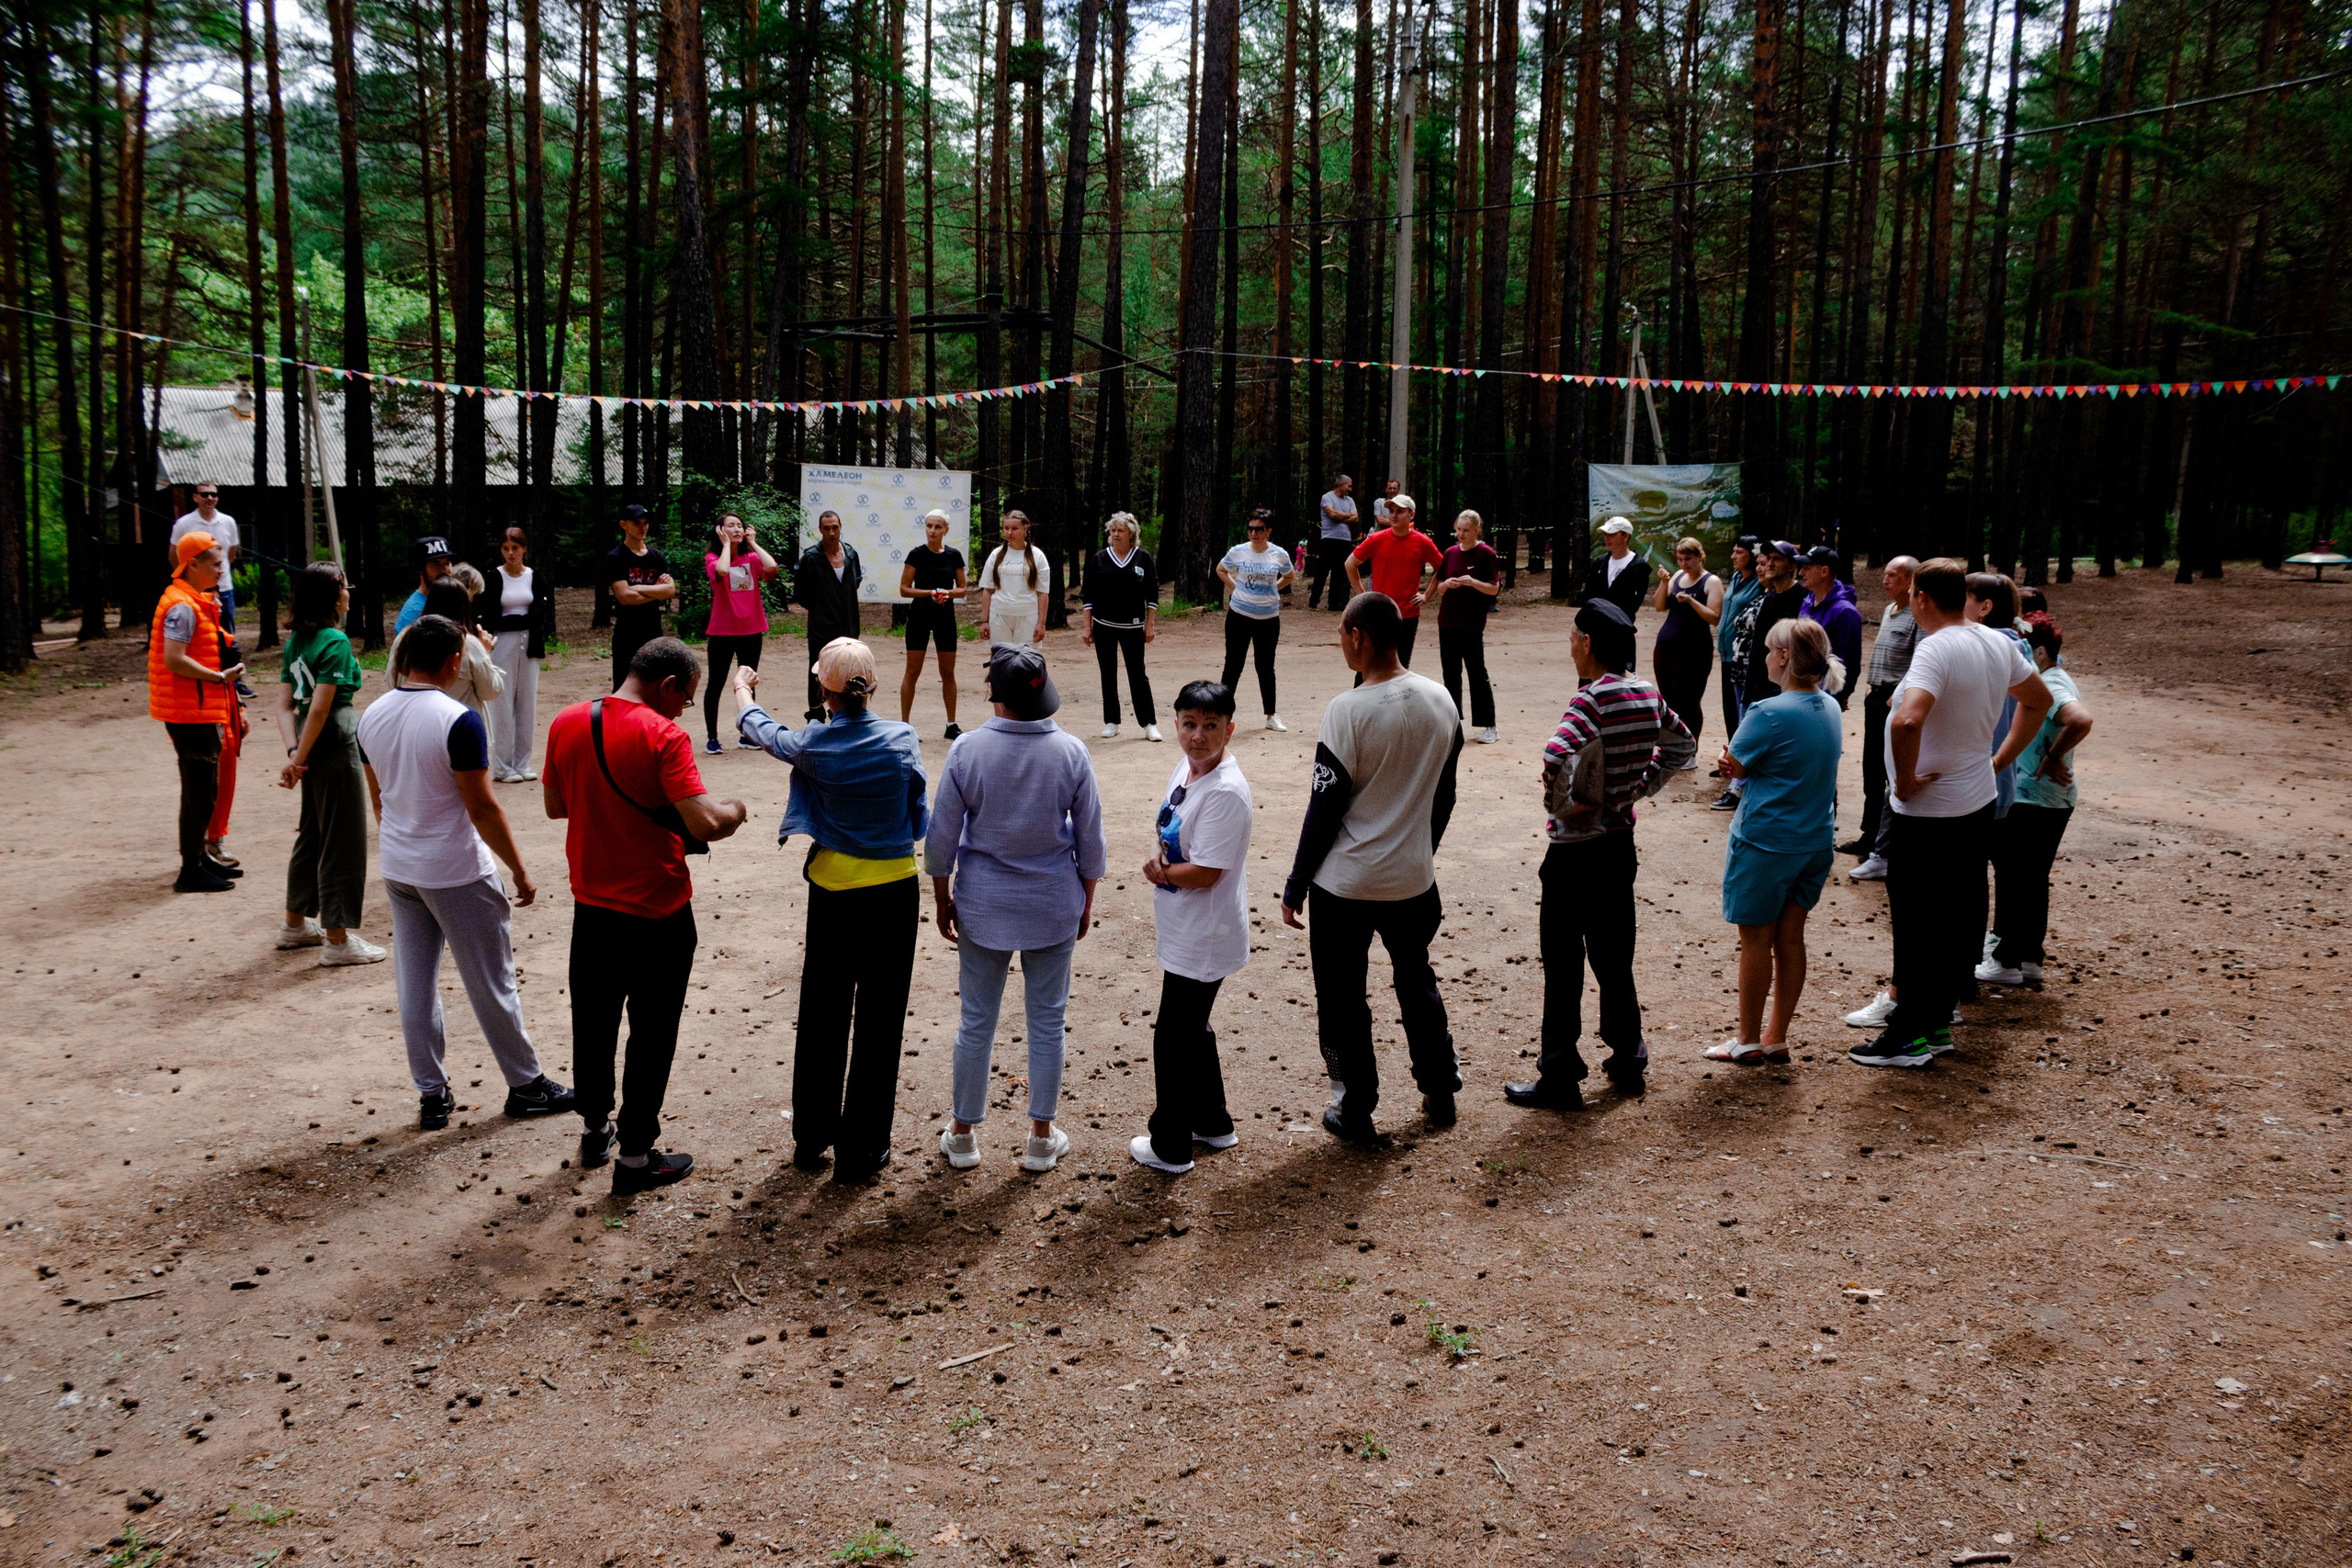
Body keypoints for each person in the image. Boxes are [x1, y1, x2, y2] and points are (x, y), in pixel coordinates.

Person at [543, 637, 750, 1191]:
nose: (685, 707)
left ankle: (594, 1127)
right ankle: (635, 1157)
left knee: (593, 1020)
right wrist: (736, 810)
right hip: (658, 908)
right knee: (652, 1032)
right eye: (687, 696)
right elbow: (704, 824)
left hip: (592, 903)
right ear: (668, 685)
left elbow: (556, 806)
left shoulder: (567, 722)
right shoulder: (664, 734)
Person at [357, 613, 573, 1130]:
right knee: (490, 978)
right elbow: (482, 808)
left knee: (415, 978)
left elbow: (380, 802)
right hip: (454, 867)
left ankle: (431, 1092)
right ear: (456, 661)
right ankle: (525, 1084)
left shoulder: (372, 715)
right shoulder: (458, 719)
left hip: (401, 865)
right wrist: (519, 870)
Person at [735, 638, 930, 1182]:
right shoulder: (902, 738)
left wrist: (743, 691)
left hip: (832, 890)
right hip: (894, 887)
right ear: (874, 687)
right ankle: (864, 1149)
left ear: (824, 689)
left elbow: (762, 732)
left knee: (823, 1011)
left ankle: (811, 1137)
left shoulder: (814, 745)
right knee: (880, 1017)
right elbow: (918, 805)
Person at [1848, 558, 2049, 1070]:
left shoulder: (1935, 647)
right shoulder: (1996, 640)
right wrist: (1998, 760)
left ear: (1920, 598)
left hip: (1930, 810)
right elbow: (2037, 700)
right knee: (1954, 917)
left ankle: (1906, 1037)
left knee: (1918, 923)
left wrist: (1906, 781)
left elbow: (1908, 720)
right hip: (1975, 801)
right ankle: (1935, 1025)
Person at [1279, 592, 1464, 1142]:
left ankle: (1355, 1103)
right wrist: (1420, 849)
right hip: (1413, 880)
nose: (1341, 641)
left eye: (1341, 631)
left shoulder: (1347, 710)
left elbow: (1325, 808)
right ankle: (1440, 1086)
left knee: (1340, 997)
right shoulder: (1441, 699)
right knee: (1416, 980)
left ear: (1358, 636)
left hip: (1347, 884)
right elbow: (1445, 793)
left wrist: (1296, 883)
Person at [1504, 600, 1693, 1111]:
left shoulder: (1589, 700)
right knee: (1615, 957)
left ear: (1587, 642)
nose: (1569, 643)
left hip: (1573, 854)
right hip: (1618, 848)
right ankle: (1628, 1058)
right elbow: (1682, 747)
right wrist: (1632, 790)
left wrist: (1574, 802)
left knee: (1564, 964)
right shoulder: (1646, 693)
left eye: (1572, 635)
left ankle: (1560, 1075)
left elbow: (1555, 754)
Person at [924, 647, 1106, 1175]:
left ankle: (962, 1135)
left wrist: (943, 898)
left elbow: (941, 839)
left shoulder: (967, 751)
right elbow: (1090, 840)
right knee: (1048, 1021)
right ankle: (1041, 1138)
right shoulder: (1071, 751)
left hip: (983, 905)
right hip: (1053, 904)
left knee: (976, 1021)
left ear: (992, 695)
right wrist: (1085, 899)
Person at [1129, 680, 1253, 1175]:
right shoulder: (1188, 767)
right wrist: (1158, 853)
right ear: (1176, 722)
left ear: (1229, 729)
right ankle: (1213, 1122)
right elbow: (1171, 828)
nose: (1198, 736)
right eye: (1189, 724)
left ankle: (1171, 1146)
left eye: (1210, 727)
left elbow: (1207, 872)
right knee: (1191, 1030)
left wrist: (1159, 871)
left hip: (1206, 934)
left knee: (1174, 1037)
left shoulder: (1226, 792)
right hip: (1185, 926)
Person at [1709, 617, 1845, 1064]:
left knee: (1755, 941)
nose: (1766, 657)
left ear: (1784, 657)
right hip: (1814, 840)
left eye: (1770, 650)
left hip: (1766, 840)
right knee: (1791, 940)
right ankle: (1776, 1036)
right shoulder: (1831, 706)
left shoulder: (1766, 712)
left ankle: (1746, 1038)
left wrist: (1732, 766)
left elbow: (1737, 765)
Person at [274, 561, 388, 964]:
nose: (349, 591)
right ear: (330, 595)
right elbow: (322, 708)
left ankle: (295, 923)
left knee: (314, 830)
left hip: (306, 740)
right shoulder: (334, 640)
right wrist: (298, 757)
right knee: (342, 838)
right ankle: (337, 941)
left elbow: (287, 706)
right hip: (332, 738)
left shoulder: (296, 641)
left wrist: (294, 754)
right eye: (343, 585)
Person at [1978, 612, 2090, 990]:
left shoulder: (2051, 685)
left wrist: (2053, 756)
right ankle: (2028, 959)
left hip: (2037, 801)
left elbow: (2081, 720)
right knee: (2030, 879)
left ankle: (2008, 959)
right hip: (2048, 800)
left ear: (2039, 651)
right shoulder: (2055, 676)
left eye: (2026, 648)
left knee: (2017, 879)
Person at [147, 532, 243, 894]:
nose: (223, 569)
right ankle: (191, 870)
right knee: (199, 791)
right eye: (216, 563)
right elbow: (174, 659)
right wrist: (219, 676)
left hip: (199, 707)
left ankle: (200, 859)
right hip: (190, 711)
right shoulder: (182, 607)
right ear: (193, 564)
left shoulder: (193, 600)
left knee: (206, 788)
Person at [1712, 539, 1805, 811]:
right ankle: (1742, 789)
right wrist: (1751, 683)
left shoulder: (1799, 598)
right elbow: (1758, 647)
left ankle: (1744, 791)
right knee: (1748, 738)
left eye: (1778, 558)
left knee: (1773, 746)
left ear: (1791, 565)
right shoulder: (1770, 596)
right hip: (1755, 683)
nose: (1771, 563)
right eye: (1768, 558)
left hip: (1781, 689)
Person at [1844, 555, 1917, 881]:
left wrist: (1897, 694)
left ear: (1911, 580)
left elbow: (1919, 662)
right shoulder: (1889, 611)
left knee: (1890, 771)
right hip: (1876, 696)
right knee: (1871, 769)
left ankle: (1887, 844)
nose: (1885, 580)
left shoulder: (1917, 616)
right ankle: (1868, 834)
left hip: (1896, 701)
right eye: (1885, 574)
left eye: (1893, 575)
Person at [479, 525, 557, 783]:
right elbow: (491, 616)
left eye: (515, 548)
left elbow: (540, 613)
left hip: (530, 644)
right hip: (503, 644)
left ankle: (523, 763)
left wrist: (520, 621)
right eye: (506, 548)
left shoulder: (535, 577)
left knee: (526, 703)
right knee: (502, 703)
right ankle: (503, 767)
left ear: (524, 549)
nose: (510, 553)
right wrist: (518, 622)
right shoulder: (494, 577)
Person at [701, 511, 779, 754]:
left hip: (752, 628)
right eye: (730, 525)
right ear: (720, 530)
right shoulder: (713, 557)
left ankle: (747, 735)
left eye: (739, 525)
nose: (736, 528)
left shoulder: (752, 557)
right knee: (716, 683)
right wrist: (726, 545)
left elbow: (772, 567)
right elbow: (722, 571)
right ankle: (712, 737)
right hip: (722, 631)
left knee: (748, 682)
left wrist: (753, 542)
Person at [1080, 511, 1159, 741]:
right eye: (1112, 530)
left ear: (1131, 533)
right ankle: (1111, 721)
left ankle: (1149, 723)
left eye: (1120, 531)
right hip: (1103, 625)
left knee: (1138, 674)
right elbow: (1089, 595)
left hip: (1133, 627)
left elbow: (1152, 594)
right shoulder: (1099, 558)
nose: (1115, 534)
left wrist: (1150, 624)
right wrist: (1087, 627)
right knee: (1108, 673)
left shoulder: (1142, 557)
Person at [1217, 507, 1295, 731]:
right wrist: (1236, 587)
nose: (1253, 533)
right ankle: (1222, 715)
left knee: (1265, 666)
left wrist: (1275, 588)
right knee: (1233, 665)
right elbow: (1221, 569)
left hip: (1268, 618)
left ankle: (1271, 715)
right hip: (1239, 616)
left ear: (1268, 530)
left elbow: (1289, 575)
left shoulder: (1279, 554)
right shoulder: (1238, 551)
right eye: (1250, 528)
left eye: (1259, 529)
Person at [1346, 493, 1443, 668]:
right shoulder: (1376, 539)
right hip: (1377, 613)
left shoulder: (1422, 542)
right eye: (1391, 511)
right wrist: (1363, 595)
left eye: (1400, 511)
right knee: (1368, 665)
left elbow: (1442, 567)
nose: (1394, 515)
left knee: (1400, 666)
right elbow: (1350, 564)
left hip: (1407, 615)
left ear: (1411, 514)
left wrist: (1426, 596)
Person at [899, 507, 971, 739]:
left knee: (948, 672)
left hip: (945, 617)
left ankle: (951, 724)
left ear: (945, 530)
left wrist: (946, 593)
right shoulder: (916, 554)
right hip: (919, 616)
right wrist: (929, 593)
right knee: (912, 671)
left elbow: (962, 589)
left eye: (937, 527)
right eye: (929, 526)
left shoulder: (954, 556)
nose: (932, 530)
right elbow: (904, 589)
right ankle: (905, 725)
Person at [1431, 509, 1502, 744]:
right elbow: (1439, 585)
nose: (1461, 534)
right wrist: (1446, 585)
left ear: (1476, 530)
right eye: (1458, 530)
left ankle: (1489, 725)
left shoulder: (1485, 554)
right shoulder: (1450, 553)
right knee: (1451, 674)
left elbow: (1494, 588)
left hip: (1471, 624)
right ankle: (1453, 723)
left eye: (1466, 531)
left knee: (1477, 673)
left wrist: (1473, 583)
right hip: (1447, 621)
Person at [1648, 536, 1722, 750]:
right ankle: (1672, 747)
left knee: (1689, 700)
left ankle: (1690, 749)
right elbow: (1660, 606)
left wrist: (1691, 601)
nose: (1683, 564)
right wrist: (1663, 582)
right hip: (1666, 646)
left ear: (1700, 557)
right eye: (1680, 559)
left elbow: (1714, 617)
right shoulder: (1678, 576)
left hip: (1694, 650)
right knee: (1669, 700)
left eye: (1688, 559)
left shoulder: (1712, 581)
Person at [605, 503, 677, 692]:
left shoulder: (657, 556)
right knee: (624, 686)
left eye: (645, 522)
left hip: (653, 631)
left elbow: (669, 591)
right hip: (626, 633)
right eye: (636, 522)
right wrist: (655, 591)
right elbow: (625, 597)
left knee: (655, 685)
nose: (642, 527)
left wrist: (640, 588)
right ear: (623, 524)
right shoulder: (616, 557)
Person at [171, 482, 241, 641]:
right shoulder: (184, 523)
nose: (209, 498)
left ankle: (228, 663)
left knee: (226, 633)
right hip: (196, 590)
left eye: (213, 495)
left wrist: (216, 573)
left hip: (224, 589)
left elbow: (231, 554)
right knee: (197, 633)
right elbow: (173, 556)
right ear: (195, 497)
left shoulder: (228, 521)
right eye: (204, 494)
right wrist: (187, 580)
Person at [1797, 547, 1864, 709]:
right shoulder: (1807, 602)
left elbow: (1850, 661)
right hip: (1801, 687)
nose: (1800, 573)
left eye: (1807, 568)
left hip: (1824, 695)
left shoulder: (1844, 611)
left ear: (1824, 571)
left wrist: (1839, 697)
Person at [1715, 536, 1763, 749]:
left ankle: (1741, 758)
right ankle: (1731, 754)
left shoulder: (1760, 583)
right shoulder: (1735, 577)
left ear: (1752, 555)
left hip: (1745, 657)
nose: (1733, 556)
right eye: (1733, 551)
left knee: (1742, 707)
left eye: (1739, 552)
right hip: (1726, 653)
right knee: (1729, 708)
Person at [977, 509, 1047, 650]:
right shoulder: (996, 555)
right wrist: (984, 620)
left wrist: (1041, 624)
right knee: (1001, 659)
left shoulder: (1037, 556)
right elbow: (988, 590)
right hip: (999, 615)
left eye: (1014, 528)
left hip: (1027, 615)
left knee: (1026, 660)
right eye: (1006, 528)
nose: (1009, 532)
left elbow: (1043, 593)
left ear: (1025, 529)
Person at [1582, 517, 1652, 616]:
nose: (1606, 538)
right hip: (1594, 625)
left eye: (1612, 534)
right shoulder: (1598, 563)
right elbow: (1587, 596)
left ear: (1625, 536)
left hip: (1621, 627)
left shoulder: (1639, 567)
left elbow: (1633, 604)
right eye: (1605, 534)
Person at [1310, 474, 1359, 610]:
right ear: (1340, 485)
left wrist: (1340, 517)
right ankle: (1314, 600)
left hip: (1345, 540)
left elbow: (1355, 518)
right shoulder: (1327, 497)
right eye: (1348, 486)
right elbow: (1332, 515)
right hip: (1329, 539)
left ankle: (1334, 604)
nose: (1350, 489)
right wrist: (1347, 515)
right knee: (1322, 571)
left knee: (1339, 572)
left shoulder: (1350, 500)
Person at [394, 536, 456, 635]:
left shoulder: (442, 601)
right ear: (419, 569)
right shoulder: (415, 612)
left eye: (447, 562)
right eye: (436, 564)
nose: (444, 570)